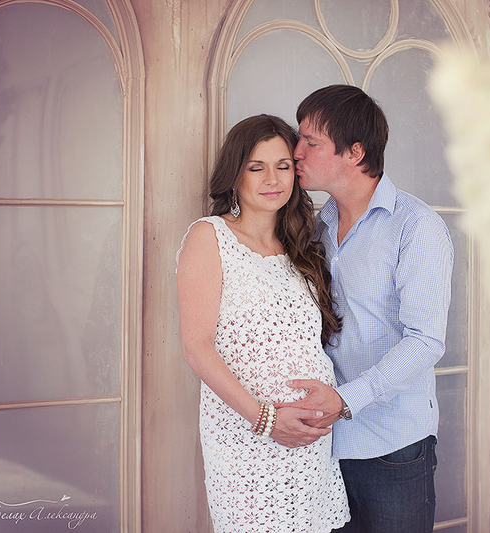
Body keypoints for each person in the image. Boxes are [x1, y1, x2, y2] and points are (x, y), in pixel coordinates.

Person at [279, 85, 454, 533]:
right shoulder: (316, 227)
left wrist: (345, 400)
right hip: (322, 446)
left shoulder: (416, 227)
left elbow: (425, 342)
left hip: (393, 446)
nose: (296, 152)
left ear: (355, 152)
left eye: (311, 142)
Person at [176, 114, 350, 533]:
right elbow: (197, 347)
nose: (273, 179)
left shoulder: (301, 246)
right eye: (257, 167)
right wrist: (266, 420)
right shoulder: (210, 237)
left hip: (310, 445)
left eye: (283, 166)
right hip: (246, 439)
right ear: (235, 175)